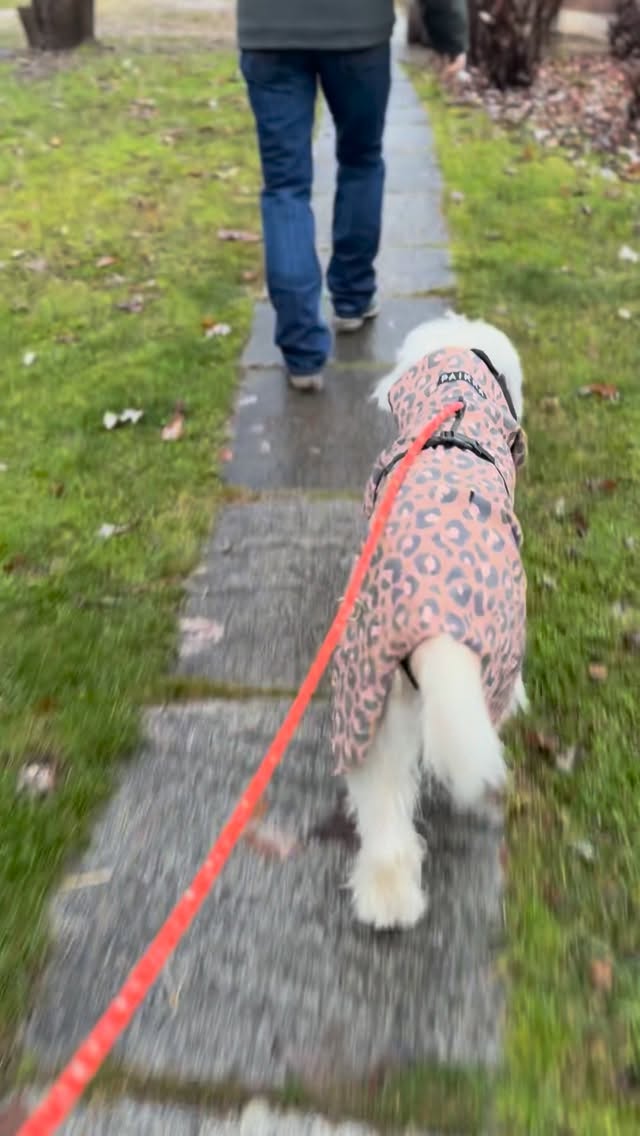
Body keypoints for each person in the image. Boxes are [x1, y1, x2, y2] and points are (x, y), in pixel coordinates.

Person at [237, 1, 395, 391]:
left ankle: (302, 352)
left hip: (270, 29)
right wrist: (448, 29)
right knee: (361, 160)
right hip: (359, 27)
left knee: (284, 188)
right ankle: (353, 298)